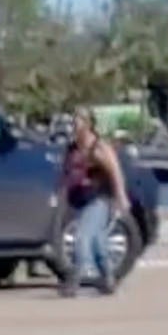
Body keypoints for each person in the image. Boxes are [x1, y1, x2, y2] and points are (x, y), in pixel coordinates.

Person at [58, 108, 130, 297]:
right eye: (74, 121)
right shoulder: (72, 148)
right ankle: (108, 279)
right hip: (80, 200)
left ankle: (74, 279)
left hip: (99, 200)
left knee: (82, 237)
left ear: (89, 124)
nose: (75, 125)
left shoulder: (98, 147)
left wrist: (121, 197)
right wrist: (61, 194)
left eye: (79, 121)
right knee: (97, 241)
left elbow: (115, 171)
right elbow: (67, 174)